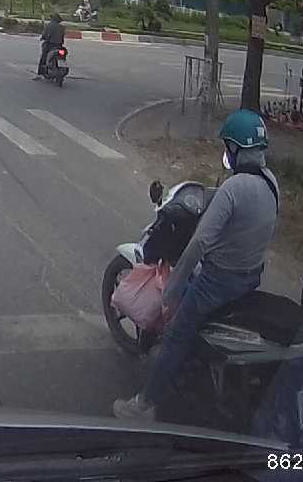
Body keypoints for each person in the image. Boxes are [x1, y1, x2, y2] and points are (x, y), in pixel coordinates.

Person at [114, 109, 279, 421]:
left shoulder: (234, 188)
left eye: (227, 146)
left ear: (234, 148)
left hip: (219, 281)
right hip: (251, 276)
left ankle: (144, 404)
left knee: (176, 334)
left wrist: (172, 290)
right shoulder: (270, 183)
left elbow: (200, 242)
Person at [35, 13, 66, 79]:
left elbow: (45, 35)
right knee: (63, 55)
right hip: (59, 46)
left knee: (43, 57)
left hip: (50, 44)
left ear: (53, 19)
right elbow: (62, 36)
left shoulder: (49, 26)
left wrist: (43, 37)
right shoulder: (62, 27)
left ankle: (40, 73)